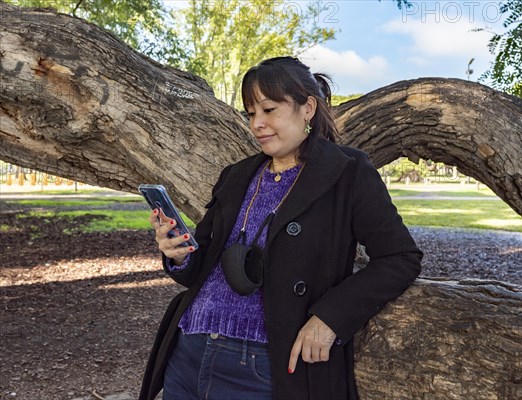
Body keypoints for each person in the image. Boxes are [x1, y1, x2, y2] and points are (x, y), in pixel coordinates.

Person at [139, 56, 423, 400]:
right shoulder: (237, 175)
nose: (257, 124)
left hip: (263, 368)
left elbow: (400, 257)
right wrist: (178, 254)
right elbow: (199, 264)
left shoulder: (347, 172)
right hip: (188, 352)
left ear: (308, 108)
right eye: (250, 114)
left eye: (269, 110)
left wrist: (330, 319)